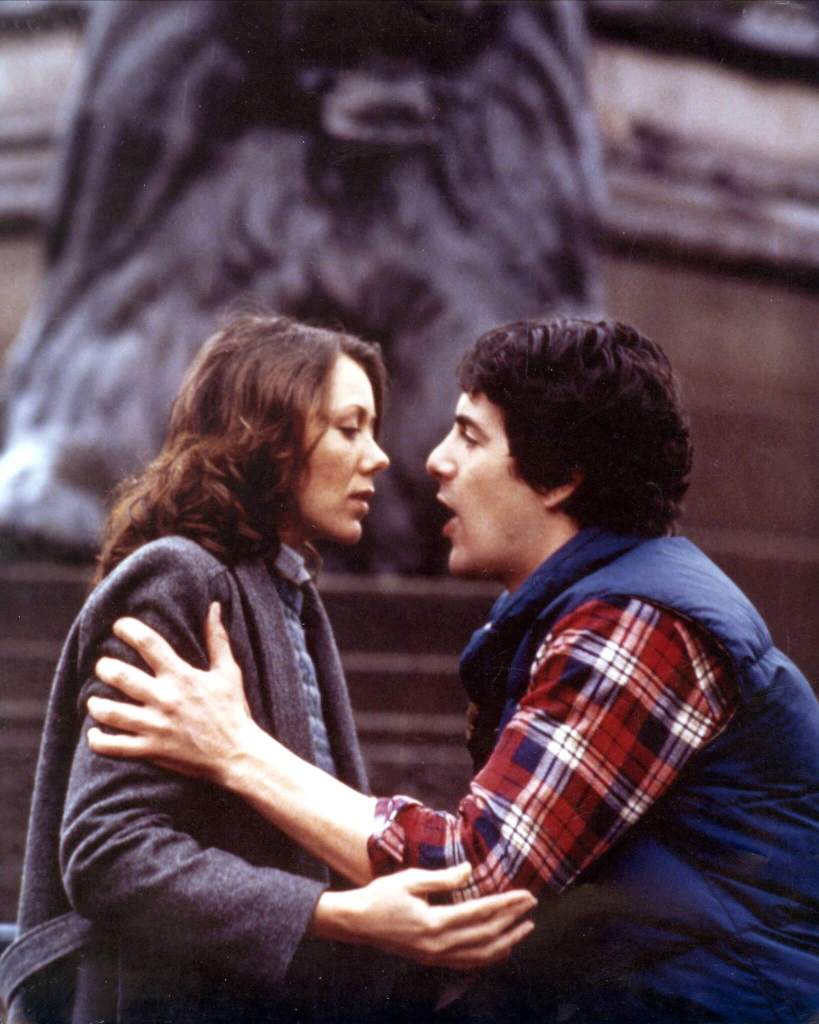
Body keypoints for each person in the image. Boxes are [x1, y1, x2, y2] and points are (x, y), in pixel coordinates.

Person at [84, 318, 818, 1023]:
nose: (428, 459)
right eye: (351, 427)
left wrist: (235, 751)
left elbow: (475, 877)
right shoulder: (599, 609)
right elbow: (108, 842)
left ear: (559, 475)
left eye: (468, 435)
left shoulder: (635, 624)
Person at [0, 314, 537, 1024]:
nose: (377, 457)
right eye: (349, 428)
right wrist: (335, 915)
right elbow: (108, 847)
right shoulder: (177, 578)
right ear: (269, 436)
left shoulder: (283, 587)